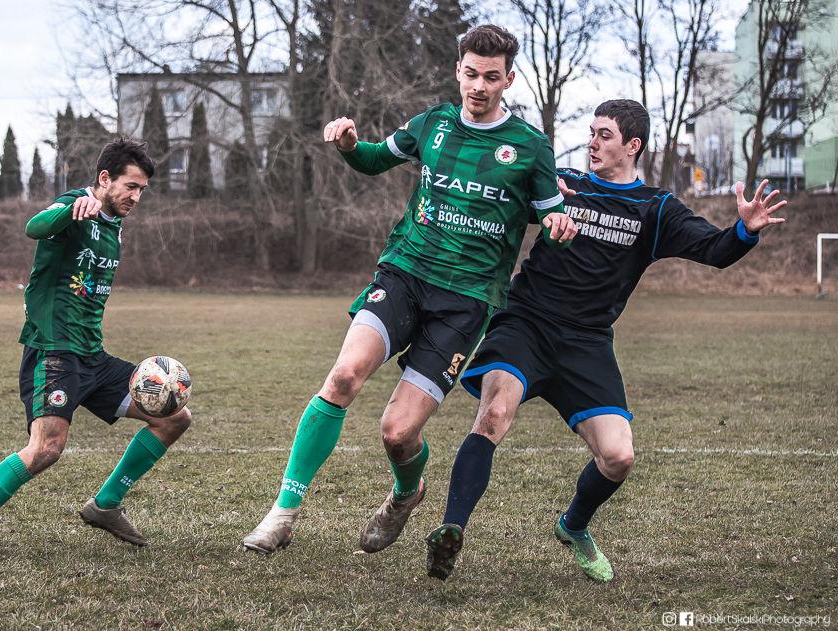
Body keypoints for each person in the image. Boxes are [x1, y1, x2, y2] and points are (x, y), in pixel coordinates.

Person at [242, 24, 578, 556]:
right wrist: (349, 145)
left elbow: (551, 217)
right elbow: (375, 158)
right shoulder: (432, 125)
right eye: (471, 74)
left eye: (492, 77)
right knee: (344, 375)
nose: (479, 86)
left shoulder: (531, 147)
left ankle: (406, 492)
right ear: (458, 71)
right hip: (405, 274)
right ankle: (282, 514)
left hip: (466, 303)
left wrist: (559, 228)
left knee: (397, 433)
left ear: (509, 80)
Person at [426, 99, 787, 582]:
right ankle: (451, 529)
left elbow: (715, 250)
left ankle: (573, 526)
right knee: (493, 414)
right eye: (591, 132)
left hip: (587, 343)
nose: (592, 143)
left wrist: (745, 229)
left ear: (632, 145)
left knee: (618, 457)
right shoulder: (565, 183)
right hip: (525, 324)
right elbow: (498, 201)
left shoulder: (655, 209)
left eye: (604, 135)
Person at [0, 138, 192, 563]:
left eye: (142, 190)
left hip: (92, 356)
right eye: (130, 186)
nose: (136, 196)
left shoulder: (112, 225)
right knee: (45, 449)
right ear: (105, 178)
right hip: (54, 353)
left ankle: (105, 505)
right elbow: (34, 227)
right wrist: (71, 208)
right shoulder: (76, 207)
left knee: (174, 417)